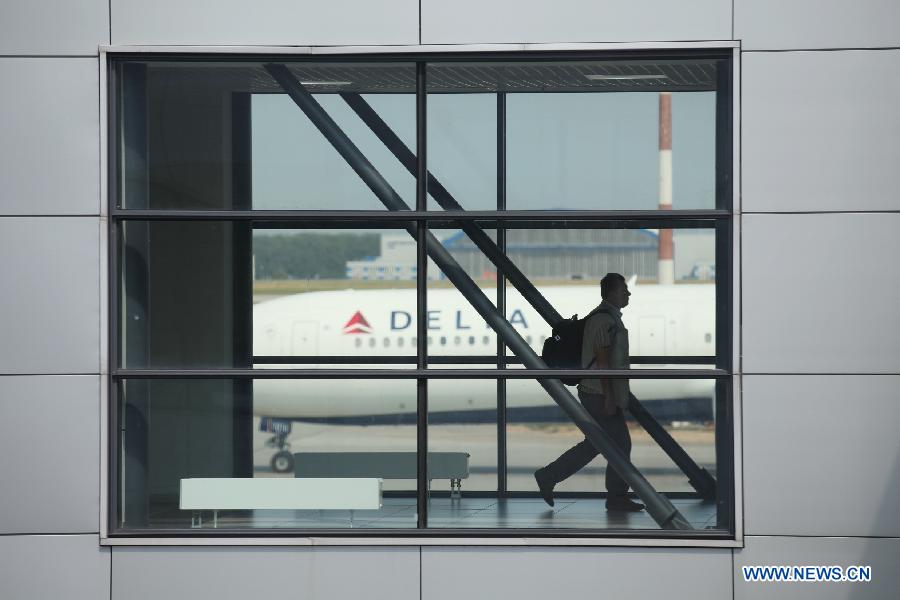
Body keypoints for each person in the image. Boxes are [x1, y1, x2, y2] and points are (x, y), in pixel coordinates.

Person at [533, 273, 645, 512]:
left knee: (597, 444)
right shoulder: (603, 321)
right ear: (611, 293)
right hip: (598, 393)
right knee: (620, 445)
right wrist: (609, 398)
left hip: (598, 391)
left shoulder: (607, 318)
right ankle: (615, 497)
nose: (628, 294)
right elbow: (603, 362)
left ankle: (549, 476)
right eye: (624, 290)